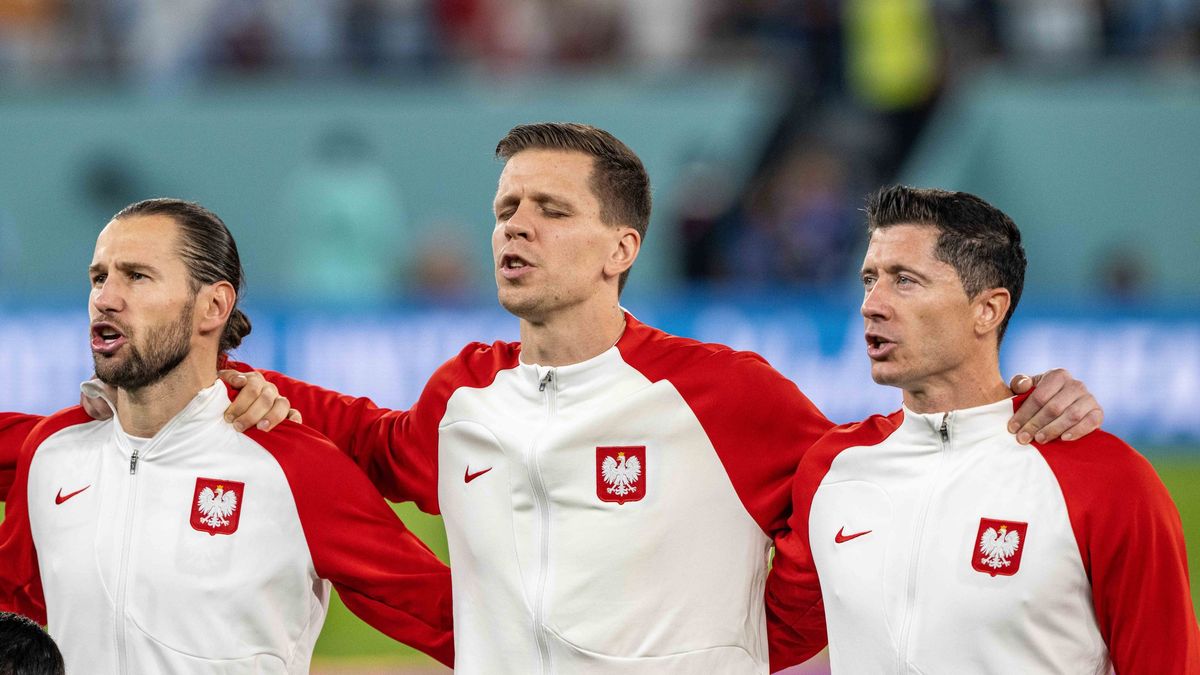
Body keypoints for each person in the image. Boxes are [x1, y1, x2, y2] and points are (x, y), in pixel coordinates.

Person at [223, 123, 1106, 673]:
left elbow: (871, 477)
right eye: (506, 209)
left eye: (550, 209)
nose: (516, 227)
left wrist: (1024, 397)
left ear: (621, 249)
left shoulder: (719, 392)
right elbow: (374, 443)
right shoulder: (466, 391)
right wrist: (220, 380)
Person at [0, 199, 454, 672]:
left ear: (213, 306)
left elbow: (451, 620)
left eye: (136, 276)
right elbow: (11, 610)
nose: (106, 298)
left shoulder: (293, 466)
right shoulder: (52, 450)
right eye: (99, 278)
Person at [766, 186, 1200, 673]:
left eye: (904, 280)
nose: (872, 304)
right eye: (869, 280)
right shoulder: (831, 468)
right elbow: (771, 643)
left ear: (988, 309)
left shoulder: (1107, 480)